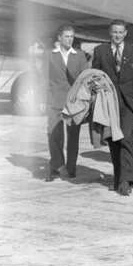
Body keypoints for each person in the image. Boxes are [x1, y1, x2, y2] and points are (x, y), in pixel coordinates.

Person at [92, 20, 133, 196]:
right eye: (114, 32)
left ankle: (126, 181)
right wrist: (97, 86)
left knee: (125, 138)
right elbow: (95, 75)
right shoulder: (100, 51)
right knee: (114, 141)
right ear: (110, 32)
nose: (117, 35)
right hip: (109, 103)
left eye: (120, 32)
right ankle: (119, 179)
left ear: (125, 33)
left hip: (129, 102)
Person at [43, 24, 89, 181]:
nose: (70, 39)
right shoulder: (49, 55)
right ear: (59, 38)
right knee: (54, 134)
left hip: (73, 103)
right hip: (54, 100)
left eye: (72, 36)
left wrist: (84, 101)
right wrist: (43, 100)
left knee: (73, 136)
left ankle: (71, 167)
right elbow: (44, 79)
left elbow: (85, 80)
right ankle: (55, 167)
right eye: (67, 36)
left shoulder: (80, 55)